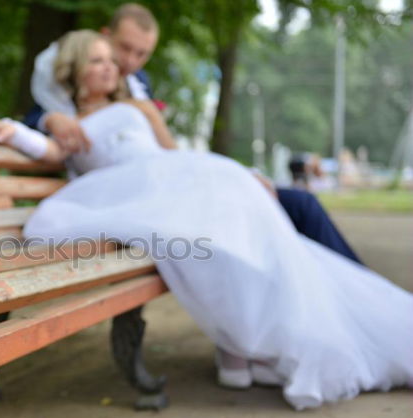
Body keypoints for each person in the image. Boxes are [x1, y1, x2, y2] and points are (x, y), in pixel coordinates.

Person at [0, 30, 413, 410]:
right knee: (203, 235)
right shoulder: (68, 123)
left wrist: (214, 174)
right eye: (96, 61)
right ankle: (242, 349)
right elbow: (53, 152)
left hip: (166, 181)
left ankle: (244, 348)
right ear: (74, 71)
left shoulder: (138, 108)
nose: (109, 67)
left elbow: (170, 153)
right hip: (121, 193)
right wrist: (7, 128)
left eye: (109, 62)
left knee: (235, 215)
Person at [24, 3, 363, 266]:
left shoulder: (137, 89)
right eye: (124, 48)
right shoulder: (74, 84)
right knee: (275, 214)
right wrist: (50, 118)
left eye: (142, 54)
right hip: (142, 202)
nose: (129, 61)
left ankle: (348, 292)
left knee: (291, 205)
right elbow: (39, 119)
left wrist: (238, 174)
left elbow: (170, 151)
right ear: (104, 36)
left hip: (174, 184)